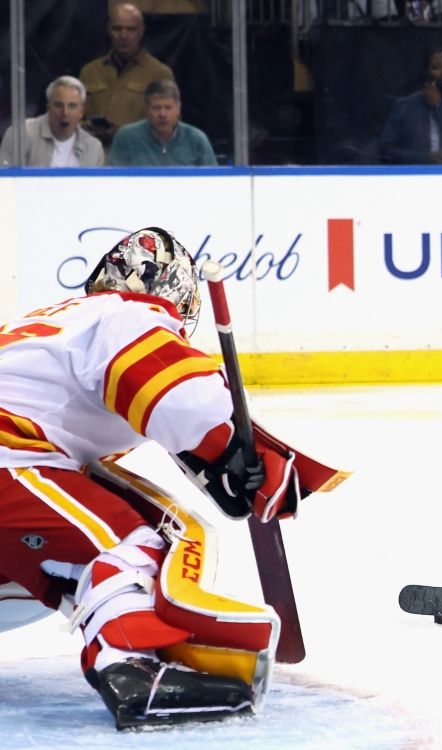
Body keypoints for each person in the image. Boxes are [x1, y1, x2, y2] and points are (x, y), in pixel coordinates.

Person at [0, 227, 305, 728]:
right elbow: (181, 399)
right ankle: (133, 667)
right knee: (128, 545)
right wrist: (224, 446)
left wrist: (219, 465)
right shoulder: (130, 315)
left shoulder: (56, 322)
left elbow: (149, 413)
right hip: (9, 458)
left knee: (52, 565)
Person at [79, 2, 175, 148]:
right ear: (109, 30)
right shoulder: (90, 72)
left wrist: (122, 133)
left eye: (131, 29)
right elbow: (74, 118)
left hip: (138, 159)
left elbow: (170, 126)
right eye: (118, 29)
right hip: (96, 159)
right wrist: (87, 127)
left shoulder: (160, 74)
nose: (123, 35)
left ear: (141, 31)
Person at [378, 47, 442, 165]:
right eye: (436, 68)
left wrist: (439, 106)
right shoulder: (405, 105)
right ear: (426, 72)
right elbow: (386, 150)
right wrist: (423, 158)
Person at [0, 76, 104, 167]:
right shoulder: (21, 134)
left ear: (81, 111)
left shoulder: (93, 148)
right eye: (58, 105)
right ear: (48, 108)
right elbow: (5, 181)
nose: (65, 113)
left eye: (72, 106)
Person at [108, 80, 217, 166]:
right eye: (156, 108)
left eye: (168, 108)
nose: (162, 114)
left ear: (178, 109)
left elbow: (214, 183)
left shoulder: (197, 139)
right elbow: (113, 182)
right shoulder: (126, 137)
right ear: (146, 109)